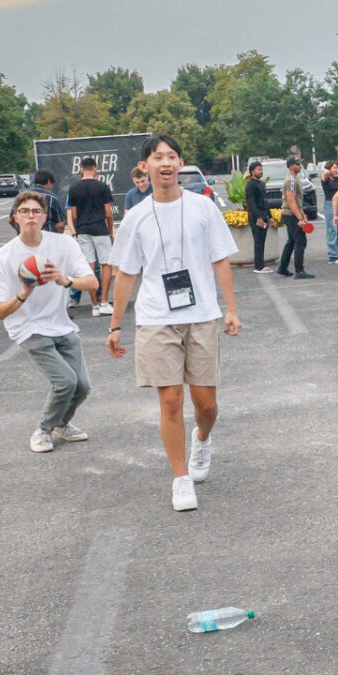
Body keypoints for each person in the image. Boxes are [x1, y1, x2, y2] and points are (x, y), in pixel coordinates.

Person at [106, 133, 242, 513]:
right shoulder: (135, 217)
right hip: (155, 318)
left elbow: (220, 260)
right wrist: (115, 325)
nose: (165, 163)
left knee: (207, 404)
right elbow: (126, 274)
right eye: (157, 157)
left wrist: (230, 308)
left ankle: (202, 439)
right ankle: (180, 478)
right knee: (169, 401)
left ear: (180, 164)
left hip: (201, 315)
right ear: (144, 166)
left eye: (171, 157)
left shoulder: (203, 208)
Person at [0, 189, 101, 455]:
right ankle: (43, 430)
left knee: (82, 385)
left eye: (36, 211)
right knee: (65, 382)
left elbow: (92, 282)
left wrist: (65, 280)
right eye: (24, 211)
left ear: (45, 217)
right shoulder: (2, 257)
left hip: (60, 323)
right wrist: (24, 293)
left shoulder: (63, 244)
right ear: (15, 217)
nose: (31, 216)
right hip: (28, 328)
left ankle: (62, 423)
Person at [65, 157, 116, 316]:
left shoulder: (73, 188)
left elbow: (73, 214)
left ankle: (94, 305)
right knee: (106, 264)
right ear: (96, 169)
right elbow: (108, 212)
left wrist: (77, 228)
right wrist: (110, 230)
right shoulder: (102, 186)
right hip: (100, 228)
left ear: (81, 169)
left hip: (82, 229)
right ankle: (104, 302)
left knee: (89, 266)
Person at [278, 157, 314, 279]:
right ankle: (299, 271)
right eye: (297, 164)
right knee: (300, 241)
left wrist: (303, 216)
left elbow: (297, 201)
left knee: (291, 241)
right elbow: (291, 201)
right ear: (291, 166)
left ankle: (282, 268)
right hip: (291, 214)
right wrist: (300, 219)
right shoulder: (291, 181)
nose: (300, 165)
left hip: (292, 213)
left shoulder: (294, 179)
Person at [244, 160, 274, 274]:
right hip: (256, 218)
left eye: (261, 169)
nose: (261, 172)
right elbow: (250, 203)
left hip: (264, 215)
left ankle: (262, 264)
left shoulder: (261, 184)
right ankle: (258, 266)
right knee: (258, 241)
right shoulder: (250, 185)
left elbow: (265, 202)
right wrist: (258, 218)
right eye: (258, 170)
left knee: (262, 240)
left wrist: (269, 216)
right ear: (252, 171)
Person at [322, 160, 338, 264]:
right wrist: (327, 170)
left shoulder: (335, 178)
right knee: (332, 229)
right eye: (334, 167)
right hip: (329, 204)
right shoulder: (325, 179)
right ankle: (333, 255)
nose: (336, 169)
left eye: (337, 167)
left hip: (337, 204)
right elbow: (325, 174)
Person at [31, 170, 66, 234]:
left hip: (27, 238)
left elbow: (11, 219)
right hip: (48, 236)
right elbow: (60, 225)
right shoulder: (53, 199)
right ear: (49, 181)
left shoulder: (21, 197)